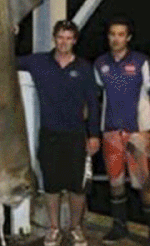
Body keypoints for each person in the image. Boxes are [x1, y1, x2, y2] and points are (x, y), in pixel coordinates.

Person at [17, 20, 101, 246]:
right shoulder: (38, 62)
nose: (64, 42)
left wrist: (94, 135)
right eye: (60, 37)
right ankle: (53, 228)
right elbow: (8, 61)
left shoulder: (84, 67)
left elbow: (93, 103)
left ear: (75, 40)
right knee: (51, 186)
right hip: (49, 134)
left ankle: (75, 228)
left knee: (77, 187)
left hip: (76, 135)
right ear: (54, 38)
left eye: (69, 38)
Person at [93, 17, 150, 246]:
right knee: (115, 183)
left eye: (121, 34)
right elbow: (93, 98)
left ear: (128, 37)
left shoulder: (142, 62)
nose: (116, 38)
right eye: (112, 34)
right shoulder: (100, 64)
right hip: (111, 133)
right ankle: (119, 227)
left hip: (138, 134)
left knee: (145, 184)